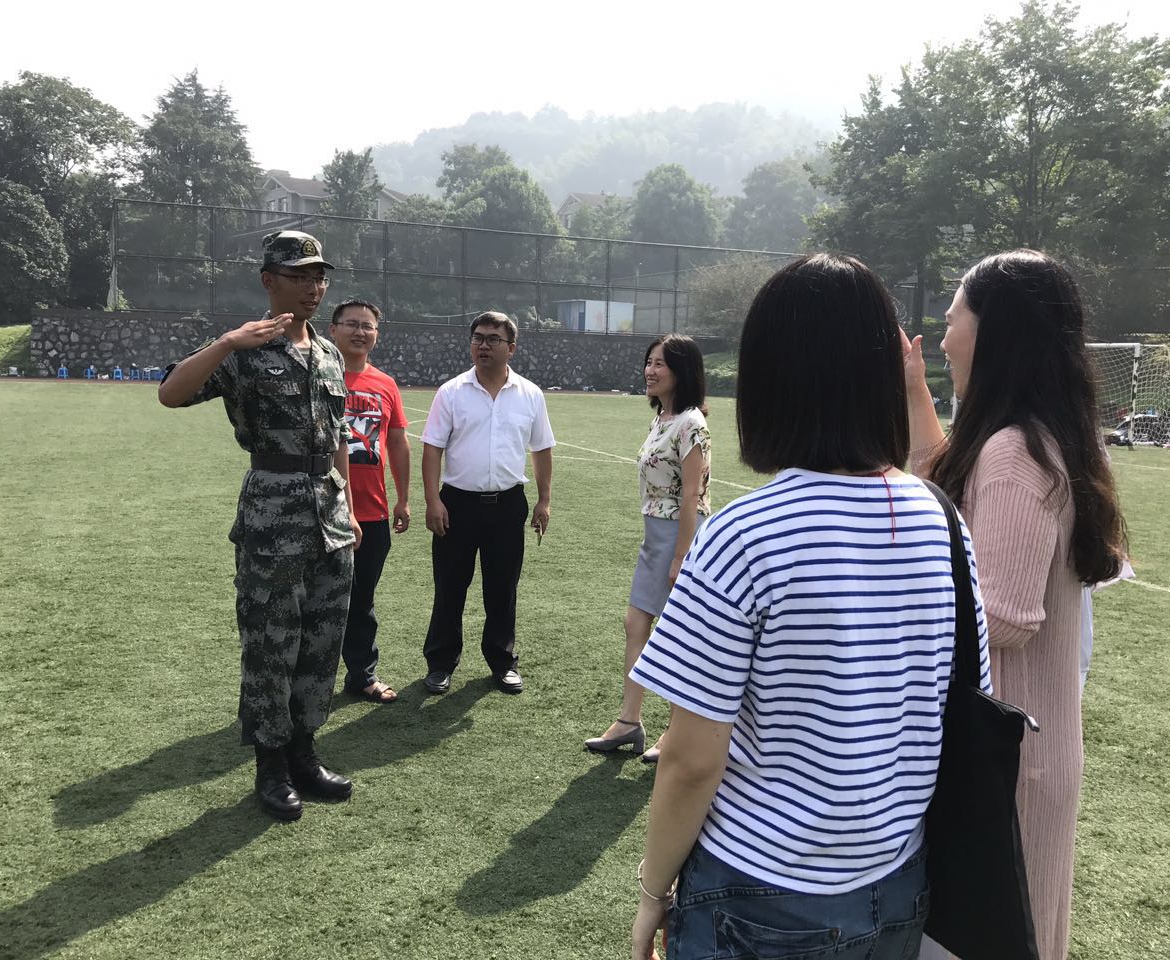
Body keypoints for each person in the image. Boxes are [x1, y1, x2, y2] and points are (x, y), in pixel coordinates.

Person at [628, 254, 991, 960]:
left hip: (758, 891)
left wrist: (652, 891)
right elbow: (957, 703)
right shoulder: (944, 521)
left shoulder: (744, 533)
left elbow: (691, 759)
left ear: (770, 380)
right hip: (897, 882)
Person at [902, 249, 1127, 960]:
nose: (942, 339)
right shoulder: (1035, 437)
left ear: (994, 330)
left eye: (952, 320)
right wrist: (915, 392)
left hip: (1008, 757)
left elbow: (1004, 616)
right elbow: (946, 489)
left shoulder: (1015, 453)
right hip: (1021, 746)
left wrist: (895, 607)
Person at [158, 230, 360, 822]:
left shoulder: (328, 353)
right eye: (300, 276)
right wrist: (227, 341)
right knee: (272, 644)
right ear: (269, 280)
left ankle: (304, 754)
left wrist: (348, 505)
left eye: (319, 276)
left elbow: (338, 435)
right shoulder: (244, 349)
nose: (313, 287)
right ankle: (270, 768)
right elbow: (171, 394)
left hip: (329, 516)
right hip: (273, 515)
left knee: (321, 642)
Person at [585, 334, 710, 763]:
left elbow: (692, 495)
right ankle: (629, 721)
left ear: (682, 371)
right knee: (635, 623)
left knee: (677, 634)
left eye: (660, 364)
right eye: (649, 362)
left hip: (681, 536)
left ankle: (675, 733)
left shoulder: (691, 422)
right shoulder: (662, 418)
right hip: (655, 536)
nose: (650, 371)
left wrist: (681, 556)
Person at [419, 311, 554, 695]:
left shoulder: (530, 394)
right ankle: (441, 663)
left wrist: (544, 500)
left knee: (502, 587)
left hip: (508, 505)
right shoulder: (451, 392)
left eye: (493, 339)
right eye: (478, 337)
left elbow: (542, 449)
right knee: (449, 586)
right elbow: (432, 449)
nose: (483, 345)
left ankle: (502, 660)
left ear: (511, 348)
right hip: (457, 504)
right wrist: (432, 500)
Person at [328, 298, 411, 704]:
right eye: (351, 324)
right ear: (333, 329)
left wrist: (403, 499)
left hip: (373, 511)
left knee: (361, 601)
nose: (360, 332)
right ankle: (310, 680)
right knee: (319, 600)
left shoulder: (385, 384)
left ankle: (361, 675)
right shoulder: (318, 375)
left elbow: (397, 442)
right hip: (323, 510)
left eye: (368, 326)